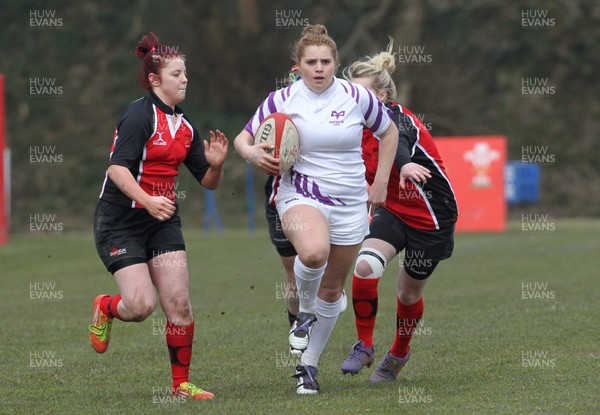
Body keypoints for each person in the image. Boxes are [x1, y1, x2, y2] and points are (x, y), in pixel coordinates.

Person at [234, 24, 399, 394]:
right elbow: (242, 139)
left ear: (335, 63)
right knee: (312, 252)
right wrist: (253, 154)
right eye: (312, 62)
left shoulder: (357, 96)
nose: (319, 68)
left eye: (326, 61)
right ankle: (303, 313)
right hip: (299, 195)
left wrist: (382, 182)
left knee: (332, 291)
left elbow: (389, 134)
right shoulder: (283, 99)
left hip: (351, 202)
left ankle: (307, 368)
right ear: (299, 65)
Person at [88, 32, 228, 400]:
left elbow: (208, 183)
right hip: (120, 220)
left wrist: (216, 165)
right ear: (155, 80)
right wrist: (148, 200)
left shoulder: (185, 126)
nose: (184, 80)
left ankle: (181, 385)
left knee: (179, 304)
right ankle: (105, 306)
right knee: (140, 306)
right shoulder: (138, 114)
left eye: (186, 74)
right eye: (177, 74)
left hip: (162, 222)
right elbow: (117, 171)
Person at [339, 40, 458, 382]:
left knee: (407, 293)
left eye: (362, 93)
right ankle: (363, 345)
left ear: (383, 97)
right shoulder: (351, 126)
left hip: (432, 217)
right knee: (364, 266)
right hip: (392, 211)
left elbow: (399, 142)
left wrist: (404, 166)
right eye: (350, 93)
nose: (354, 100)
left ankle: (399, 352)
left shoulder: (396, 119)